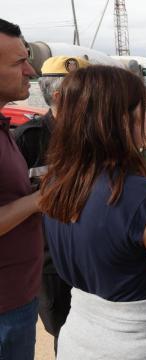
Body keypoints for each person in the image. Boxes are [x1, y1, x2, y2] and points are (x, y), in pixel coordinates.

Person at [39, 65, 146, 359]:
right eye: (143, 111)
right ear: (120, 119)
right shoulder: (141, 196)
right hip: (140, 343)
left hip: (79, 337)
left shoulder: (55, 183)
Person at [13, 55, 89, 353]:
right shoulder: (27, 139)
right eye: (86, 89)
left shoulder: (95, 135)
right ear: (60, 96)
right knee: (65, 334)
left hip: (93, 254)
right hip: (51, 262)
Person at [0, 18, 43, 360]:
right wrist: (40, 199)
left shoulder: (5, 126)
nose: (30, 70)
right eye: (19, 62)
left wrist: (35, 186)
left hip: (18, 298)